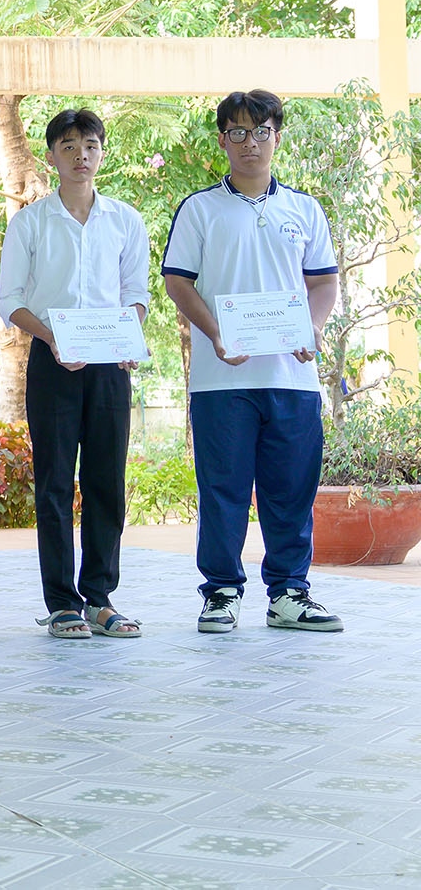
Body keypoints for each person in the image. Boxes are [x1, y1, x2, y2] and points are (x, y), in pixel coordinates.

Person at [162, 89, 342, 634]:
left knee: (292, 490)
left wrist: (313, 327)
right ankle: (221, 592)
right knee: (224, 490)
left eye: (261, 132)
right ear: (223, 140)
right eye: (238, 132)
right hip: (222, 380)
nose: (250, 143)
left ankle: (289, 592)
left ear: (276, 138)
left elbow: (323, 283)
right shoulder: (199, 209)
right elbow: (178, 282)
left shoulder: (304, 209)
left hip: (293, 377)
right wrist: (216, 334)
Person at [0, 109, 150, 640]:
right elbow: (10, 301)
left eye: (90, 145)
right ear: (51, 156)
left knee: (108, 482)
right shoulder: (30, 222)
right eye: (68, 146)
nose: (80, 155)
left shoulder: (126, 220)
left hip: (109, 367)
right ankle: (62, 603)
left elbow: (136, 295)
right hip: (52, 362)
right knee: (55, 484)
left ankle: (100, 599)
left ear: (101, 152)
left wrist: (128, 338)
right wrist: (52, 338)